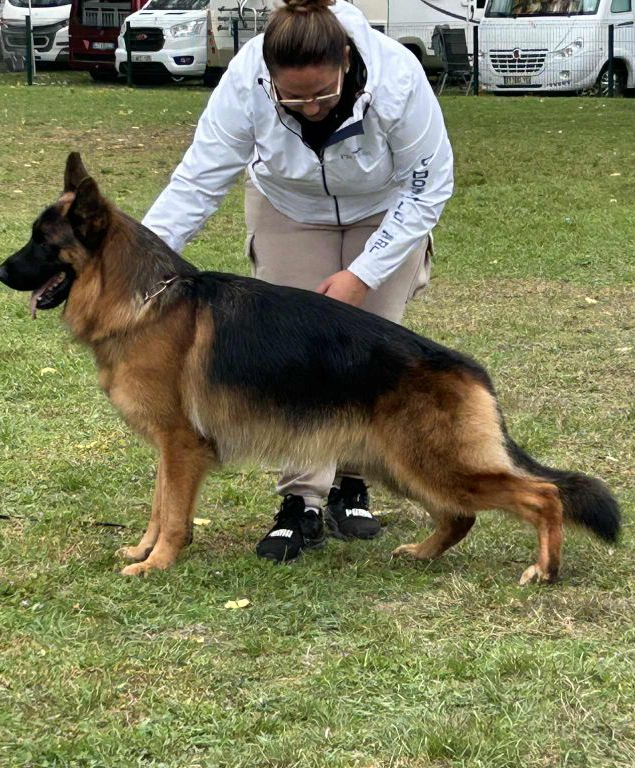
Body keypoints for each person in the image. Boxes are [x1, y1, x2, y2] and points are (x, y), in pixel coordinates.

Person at [142, 0, 454, 563]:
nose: (309, 108)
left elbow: (429, 185)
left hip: (383, 209)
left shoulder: (397, 76)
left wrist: (364, 273)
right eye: (294, 99)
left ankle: (352, 484)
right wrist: (141, 262)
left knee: (368, 353)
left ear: (345, 58)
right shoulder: (246, 79)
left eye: (322, 94)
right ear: (268, 75)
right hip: (288, 206)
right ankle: (300, 502)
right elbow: (198, 180)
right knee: (289, 357)